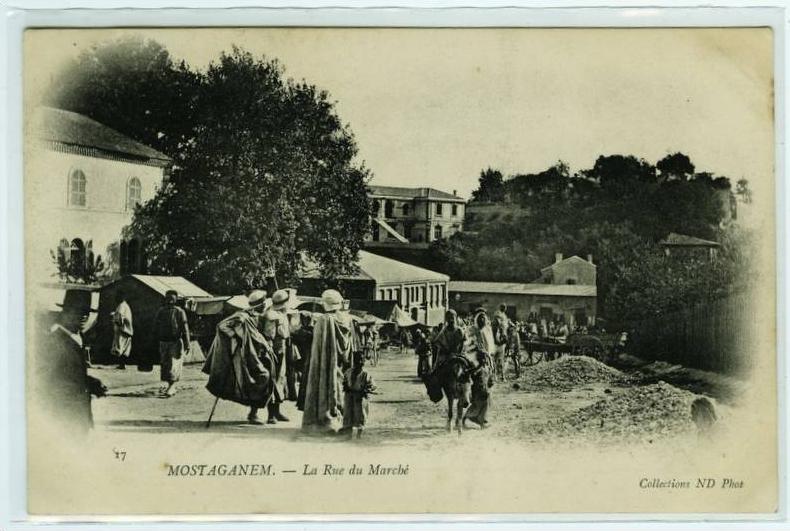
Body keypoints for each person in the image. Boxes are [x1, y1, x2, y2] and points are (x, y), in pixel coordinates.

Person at [203, 290, 275, 425]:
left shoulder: (254, 316)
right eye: (263, 304)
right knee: (262, 376)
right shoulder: (241, 316)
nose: (265, 306)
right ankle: (253, 414)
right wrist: (236, 337)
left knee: (263, 377)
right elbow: (222, 326)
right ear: (257, 305)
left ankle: (253, 413)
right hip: (245, 355)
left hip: (254, 353)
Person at [302, 289, 357, 432]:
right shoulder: (347, 319)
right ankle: (342, 418)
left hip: (326, 362)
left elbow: (318, 346)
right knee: (340, 386)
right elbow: (350, 343)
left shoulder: (324, 320)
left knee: (325, 383)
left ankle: (324, 419)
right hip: (342, 361)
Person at [260, 289, 293, 424]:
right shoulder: (271, 315)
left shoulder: (281, 314)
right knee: (272, 381)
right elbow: (269, 335)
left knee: (280, 380)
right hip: (273, 351)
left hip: (282, 350)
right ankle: (270, 415)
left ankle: (277, 411)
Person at [154, 290, 190, 397]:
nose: (170, 301)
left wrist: (187, 342)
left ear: (175, 300)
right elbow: (156, 326)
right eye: (168, 298)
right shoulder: (161, 311)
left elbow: (185, 328)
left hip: (175, 342)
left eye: (172, 299)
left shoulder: (179, 312)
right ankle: (170, 385)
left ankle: (171, 387)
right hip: (164, 341)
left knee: (173, 364)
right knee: (165, 364)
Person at [342, 350, 377, 439]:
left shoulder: (366, 374)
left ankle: (359, 435)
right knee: (348, 414)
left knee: (360, 415)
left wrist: (367, 389)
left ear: (364, 361)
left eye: (362, 360)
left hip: (360, 398)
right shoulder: (348, 372)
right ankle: (348, 435)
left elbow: (373, 385)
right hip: (349, 396)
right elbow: (344, 381)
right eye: (357, 360)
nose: (360, 362)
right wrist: (346, 387)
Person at [464, 349, 494, 429]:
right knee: (478, 405)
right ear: (479, 359)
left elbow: (489, 378)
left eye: (485, 358)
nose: (484, 360)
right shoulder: (477, 368)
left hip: (484, 389)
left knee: (484, 404)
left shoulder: (486, 368)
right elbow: (471, 374)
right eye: (483, 358)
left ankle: (479, 420)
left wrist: (491, 382)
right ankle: (480, 421)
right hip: (478, 389)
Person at [110, 290, 133, 370]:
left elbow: (120, 317)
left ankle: (121, 364)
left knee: (120, 346)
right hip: (127, 330)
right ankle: (122, 364)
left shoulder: (122, 306)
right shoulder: (126, 306)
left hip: (122, 330)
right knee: (125, 347)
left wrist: (114, 318)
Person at [491, 304, 510, 382]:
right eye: (503, 308)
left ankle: (502, 376)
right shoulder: (497, 314)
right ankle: (494, 375)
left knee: (501, 359)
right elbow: (498, 322)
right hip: (496, 338)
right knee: (494, 359)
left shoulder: (504, 315)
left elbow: (505, 325)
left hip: (502, 337)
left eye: (505, 308)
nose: (504, 309)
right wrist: (500, 325)